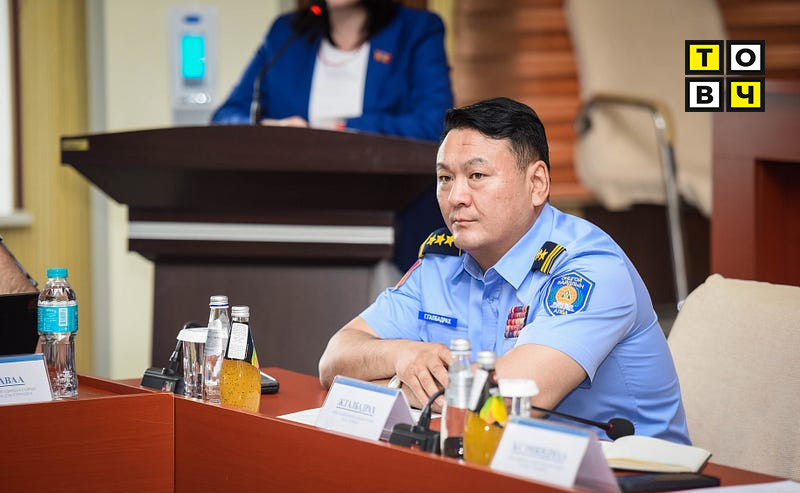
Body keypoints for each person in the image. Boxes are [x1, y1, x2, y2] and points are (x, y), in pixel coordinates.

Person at [318, 97, 690, 444]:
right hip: (504, 462)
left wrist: (390, 386)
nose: (456, 197)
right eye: (445, 178)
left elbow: (508, 403)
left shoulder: (589, 268)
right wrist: (402, 355)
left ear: (537, 184)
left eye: (477, 176)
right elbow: (334, 360)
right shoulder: (442, 260)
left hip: (630, 478)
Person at [211, 0, 453, 270]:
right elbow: (225, 116)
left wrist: (339, 129)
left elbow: (433, 123)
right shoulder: (287, 31)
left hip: (392, 202)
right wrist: (270, 127)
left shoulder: (416, 29)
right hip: (292, 201)